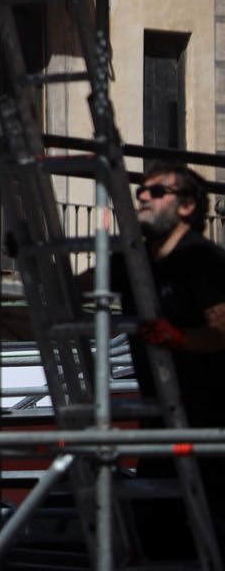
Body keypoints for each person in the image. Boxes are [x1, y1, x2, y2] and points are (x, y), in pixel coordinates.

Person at [115, 161, 225, 519]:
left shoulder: (201, 259)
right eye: (141, 191)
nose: (144, 196)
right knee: (157, 524)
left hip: (208, 424)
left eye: (158, 191)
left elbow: (221, 331)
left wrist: (179, 338)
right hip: (163, 418)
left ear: (187, 206)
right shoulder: (134, 259)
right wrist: (30, 253)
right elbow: (75, 283)